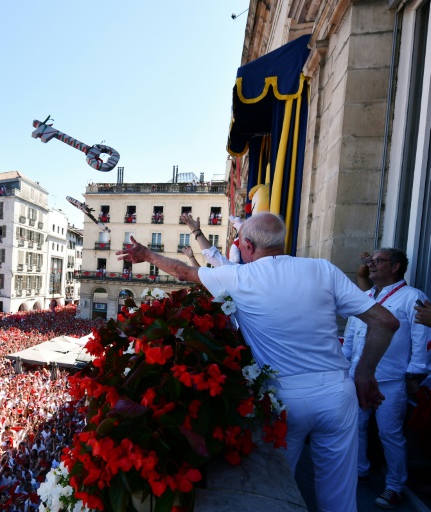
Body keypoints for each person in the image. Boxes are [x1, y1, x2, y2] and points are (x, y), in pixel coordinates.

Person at [117, 212, 399, 512]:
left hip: (282, 401)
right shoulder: (322, 269)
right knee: (340, 501)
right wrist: (365, 374)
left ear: (248, 245)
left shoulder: (238, 277)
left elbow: (183, 271)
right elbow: (385, 322)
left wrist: (146, 253)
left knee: (276, 496)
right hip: (337, 395)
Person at [343, 248, 430, 508]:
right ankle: (360, 469)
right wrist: (344, 365)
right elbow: (350, 336)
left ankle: (395, 486)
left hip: (391, 380)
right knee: (355, 427)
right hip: (358, 378)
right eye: (371, 260)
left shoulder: (413, 297)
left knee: (389, 434)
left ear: (395, 267)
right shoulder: (365, 297)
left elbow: (421, 338)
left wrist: (415, 373)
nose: (371, 265)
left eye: (378, 261)